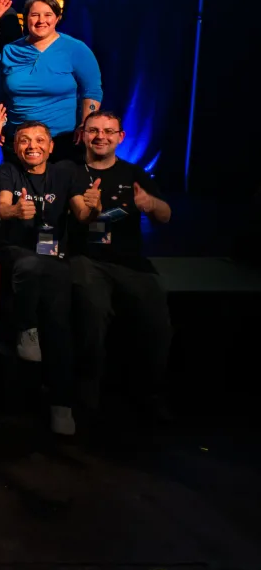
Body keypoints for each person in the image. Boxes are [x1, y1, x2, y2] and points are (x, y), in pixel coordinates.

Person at [65, 110, 173, 421]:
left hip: (130, 262)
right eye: (94, 130)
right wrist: (89, 208)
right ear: (83, 134)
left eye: (108, 131)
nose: (101, 136)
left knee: (157, 317)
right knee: (91, 310)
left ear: (120, 137)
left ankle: (149, 393)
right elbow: (78, 216)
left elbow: (165, 216)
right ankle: (87, 393)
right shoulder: (71, 172)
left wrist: (151, 204)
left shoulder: (135, 173)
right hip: (87, 259)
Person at [0, 120, 81, 435]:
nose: (32, 146)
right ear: (15, 147)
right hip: (17, 252)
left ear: (51, 145)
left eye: (40, 140)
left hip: (53, 256)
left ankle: (62, 405)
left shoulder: (64, 172)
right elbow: (2, 206)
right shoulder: (9, 172)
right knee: (29, 266)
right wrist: (15, 211)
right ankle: (27, 328)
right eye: (24, 140)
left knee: (58, 323)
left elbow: (82, 211)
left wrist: (93, 209)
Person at [0, 0, 102, 161]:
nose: (41, 20)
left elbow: (92, 91)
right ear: (26, 18)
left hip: (63, 141)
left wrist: (86, 124)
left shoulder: (75, 48)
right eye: (35, 15)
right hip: (18, 140)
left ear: (58, 18)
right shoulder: (10, 51)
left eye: (48, 15)